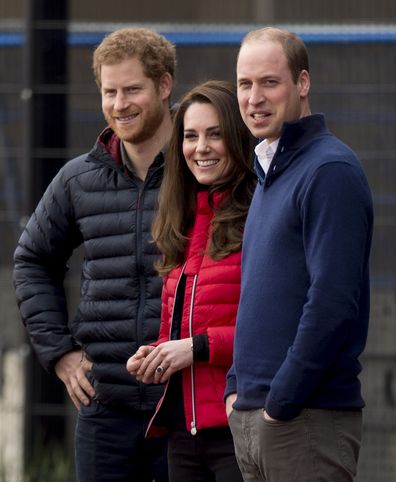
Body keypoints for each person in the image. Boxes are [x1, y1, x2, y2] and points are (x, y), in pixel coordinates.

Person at [13, 27, 176, 482]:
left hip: (186, 413)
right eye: (110, 91)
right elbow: (31, 261)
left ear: (164, 86)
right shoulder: (77, 179)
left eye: (132, 89)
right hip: (105, 412)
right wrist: (60, 354)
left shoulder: (203, 163)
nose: (119, 104)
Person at [224, 27, 373, 482]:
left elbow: (332, 302)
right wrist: (236, 389)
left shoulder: (328, 170)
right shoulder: (269, 171)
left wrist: (281, 401)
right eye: (245, 84)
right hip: (256, 418)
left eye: (270, 82)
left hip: (304, 419)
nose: (254, 98)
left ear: (302, 84)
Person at [126, 80, 256, 482]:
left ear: (237, 138)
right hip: (182, 431)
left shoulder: (260, 217)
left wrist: (195, 349)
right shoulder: (180, 221)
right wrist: (156, 355)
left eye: (215, 134)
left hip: (236, 428)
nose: (201, 148)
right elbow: (180, 329)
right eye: (191, 136)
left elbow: (271, 329)